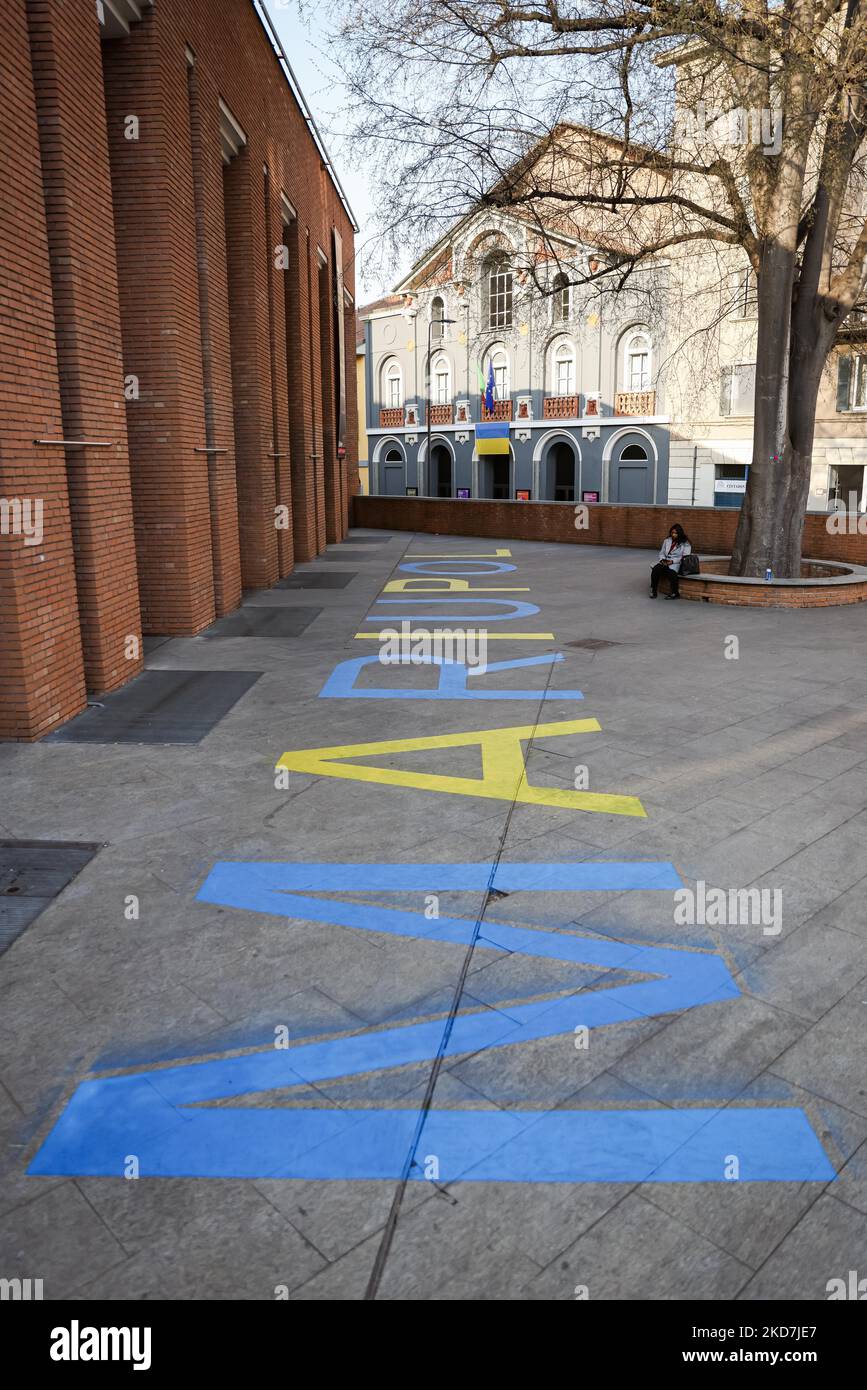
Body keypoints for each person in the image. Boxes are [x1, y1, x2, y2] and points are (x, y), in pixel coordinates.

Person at [650, 524, 692, 599]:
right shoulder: (667, 540)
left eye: (675, 533)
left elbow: (685, 557)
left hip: (676, 563)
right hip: (665, 561)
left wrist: (672, 562)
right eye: (672, 533)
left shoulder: (685, 543)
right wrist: (662, 560)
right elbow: (662, 552)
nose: (673, 534)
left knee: (672, 573)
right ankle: (653, 590)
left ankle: (675, 593)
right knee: (655, 570)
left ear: (679, 533)